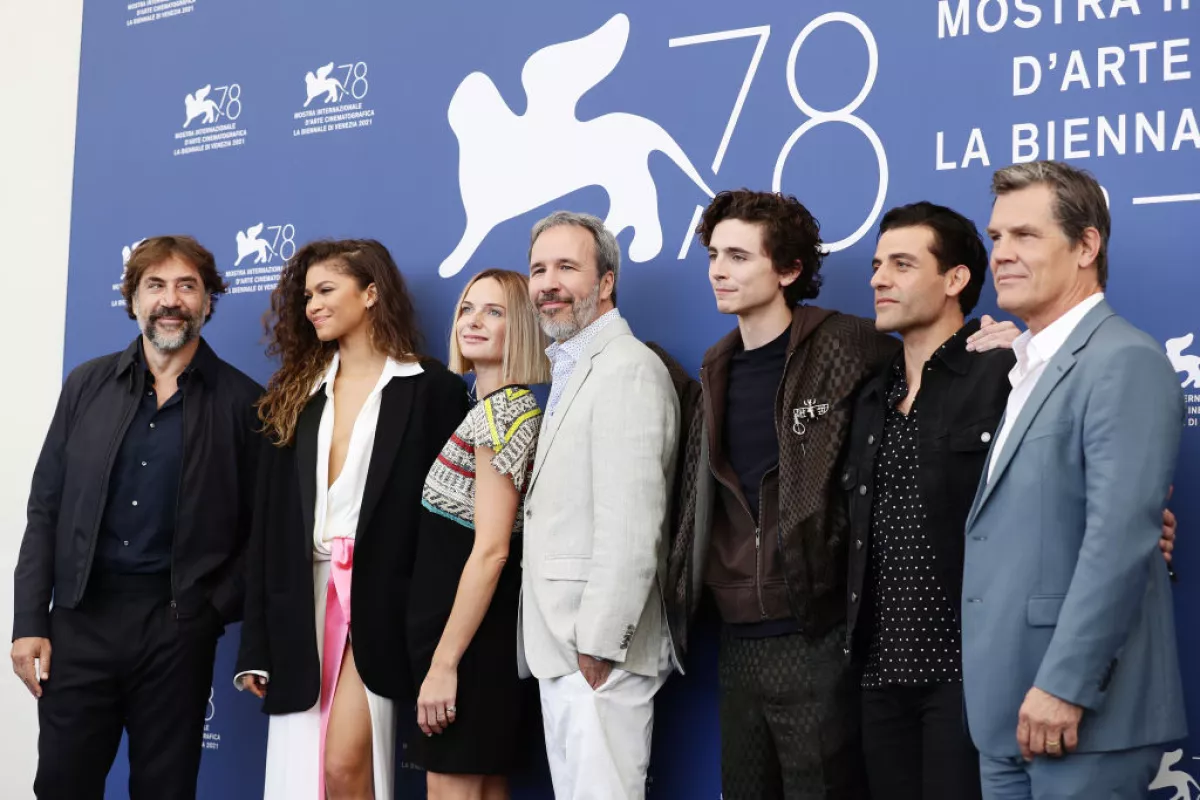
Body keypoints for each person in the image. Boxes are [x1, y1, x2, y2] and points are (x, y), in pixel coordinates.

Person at [962, 161, 1186, 798]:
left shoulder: (1123, 360)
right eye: (996, 237)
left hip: (1083, 715)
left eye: (1025, 236)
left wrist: (1065, 685)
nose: (1001, 253)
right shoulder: (1027, 365)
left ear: (1086, 246)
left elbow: (1119, 540)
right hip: (1005, 715)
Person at [10, 236, 262, 800]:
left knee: (164, 790)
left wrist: (208, 613)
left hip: (175, 631)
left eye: (186, 286)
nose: (170, 300)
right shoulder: (86, 385)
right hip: (79, 623)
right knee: (61, 786)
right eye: (155, 286)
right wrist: (29, 620)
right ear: (133, 300)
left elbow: (262, 534)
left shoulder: (244, 403)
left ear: (207, 302)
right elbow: (45, 506)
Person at [234, 239, 468, 800]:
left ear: (370, 293)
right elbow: (268, 529)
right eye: (307, 295)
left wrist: (435, 635)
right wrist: (255, 647)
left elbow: (448, 528)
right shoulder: (294, 393)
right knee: (301, 777)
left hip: (383, 606)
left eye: (326, 290)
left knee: (343, 766)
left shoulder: (431, 390)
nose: (312, 305)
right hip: (300, 605)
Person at [520, 211, 680, 800]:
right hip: (565, 648)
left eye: (567, 267)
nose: (549, 283)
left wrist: (600, 641)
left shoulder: (627, 368)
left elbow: (633, 520)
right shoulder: (573, 366)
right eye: (539, 269)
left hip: (595, 652)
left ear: (606, 281)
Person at [410, 268, 550, 798]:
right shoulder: (494, 408)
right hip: (476, 641)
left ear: (523, 328)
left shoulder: (503, 413)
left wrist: (444, 664)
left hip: (469, 647)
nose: (473, 321)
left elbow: (492, 551)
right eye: (467, 308)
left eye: (494, 312)